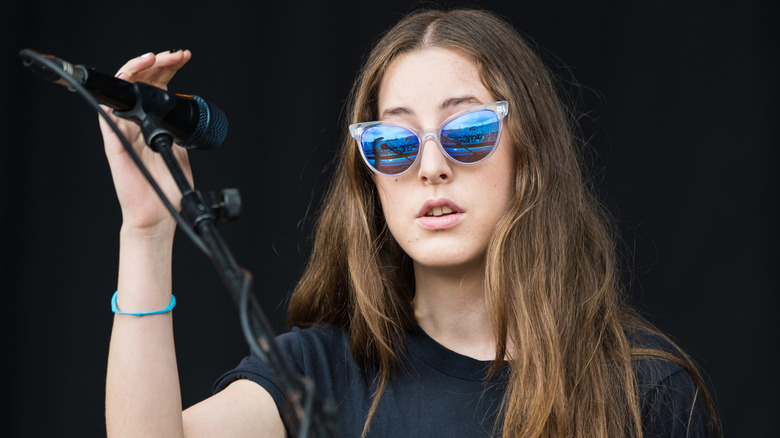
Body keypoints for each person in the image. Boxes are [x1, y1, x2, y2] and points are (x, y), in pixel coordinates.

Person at [101, 8, 720, 438]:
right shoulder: (316, 373)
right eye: (394, 144)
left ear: (529, 154)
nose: (430, 167)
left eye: (468, 132)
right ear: (369, 178)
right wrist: (148, 229)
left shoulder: (646, 391)